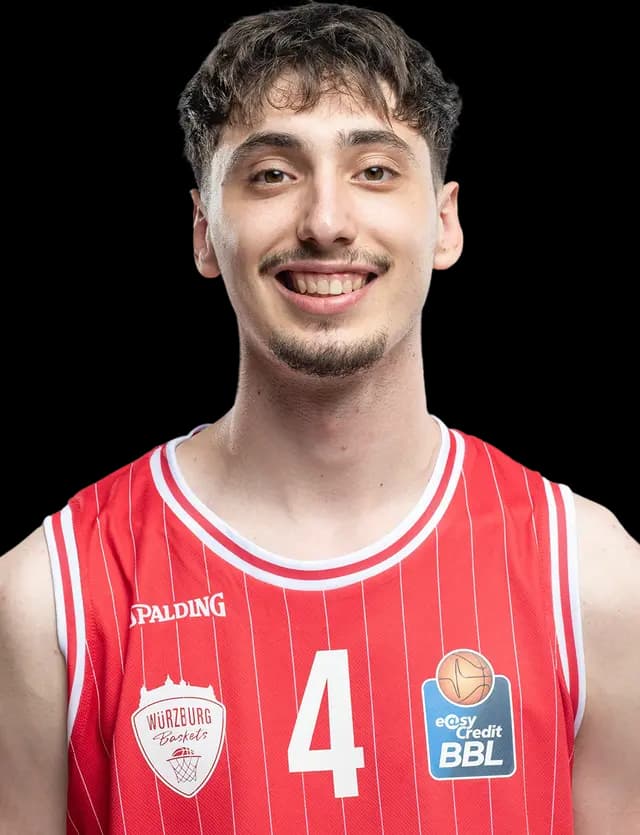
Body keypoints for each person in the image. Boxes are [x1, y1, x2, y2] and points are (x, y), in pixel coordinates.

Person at [1, 1, 638, 832]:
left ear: (445, 222)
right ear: (204, 230)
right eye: (273, 173)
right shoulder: (51, 597)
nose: (327, 222)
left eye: (374, 170)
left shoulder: (592, 578)